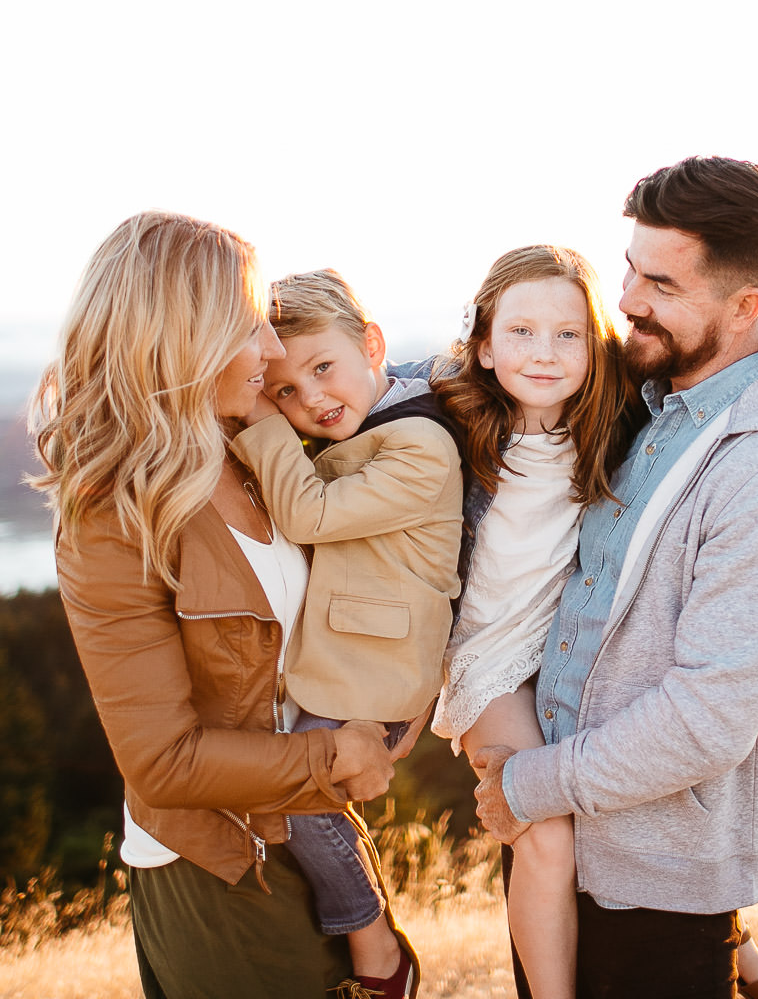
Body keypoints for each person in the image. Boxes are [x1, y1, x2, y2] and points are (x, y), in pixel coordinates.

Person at [471, 156, 758, 999]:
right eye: (630, 268)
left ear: (745, 308)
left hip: (658, 883)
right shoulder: (650, 396)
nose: (626, 300)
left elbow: (707, 718)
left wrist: (527, 784)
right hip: (573, 845)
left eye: (659, 282)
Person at [408, 245, 758, 999]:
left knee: (641, 821)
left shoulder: (608, 405)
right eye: (520, 333)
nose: (545, 353)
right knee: (543, 832)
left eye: (568, 334)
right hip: (488, 659)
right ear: (482, 343)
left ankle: (746, 959)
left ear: (593, 340)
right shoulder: (445, 416)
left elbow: (715, 326)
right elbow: (347, 381)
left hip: (567, 649)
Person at [29, 212, 406, 999]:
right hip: (218, 866)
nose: (272, 353)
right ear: (179, 342)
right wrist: (336, 758)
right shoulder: (113, 516)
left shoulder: (251, 449)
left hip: (313, 828)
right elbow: (162, 762)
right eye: (249, 329)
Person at [230, 268, 466, 999]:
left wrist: (261, 424)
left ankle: (375, 948)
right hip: (349, 666)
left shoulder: (420, 443)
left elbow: (310, 517)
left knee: (298, 800)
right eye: (286, 392)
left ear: (372, 344)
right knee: (306, 800)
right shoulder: (369, 428)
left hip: (380, 673)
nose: (312, 401)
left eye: (323, 368)